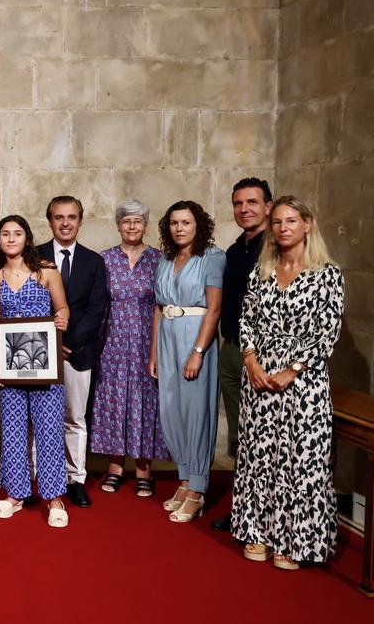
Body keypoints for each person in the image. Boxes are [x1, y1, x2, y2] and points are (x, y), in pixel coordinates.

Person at [231, 196, 343, 570]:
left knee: (300, 460)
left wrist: (292, 370)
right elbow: (245, 319)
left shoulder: (327, 274)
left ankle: (293, 539)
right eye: (277, 222)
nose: (283, 228)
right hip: (259, 377)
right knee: (259, 456)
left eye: (291, 220)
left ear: (307, 224)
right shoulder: (261, 271)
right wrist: (251, 361)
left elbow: (327, 332)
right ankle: (258, 531)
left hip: (305, 384)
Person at [0, 215, 71, 528]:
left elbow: (62, 307)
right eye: (5, 234)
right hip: (10, 365)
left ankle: (54, 496)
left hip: (44, 363)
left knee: (49, 429)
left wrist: (62, 319)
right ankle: (16, 494)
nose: (11, 239)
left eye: (17, 233)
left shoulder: (46, 271)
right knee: (12, 429)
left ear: (27, 237)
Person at [150, 200, 225, 523]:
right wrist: (154, 352)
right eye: (174, 223)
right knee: (172, 410)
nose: (179, 228)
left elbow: (214, 308)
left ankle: (197, 489)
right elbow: (158, 307)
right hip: (167, 337)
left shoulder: (212, 257)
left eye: (186, 222)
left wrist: (198, 351)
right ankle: (184, 480)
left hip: (195, 336)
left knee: (196, 411)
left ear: (199, 225)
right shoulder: (166, 259)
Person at [89, 200, 169, 498]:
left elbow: (164, 303)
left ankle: (144, 470)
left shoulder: (159, 259)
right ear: (118, 225)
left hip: (148, 341)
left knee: (145, 401)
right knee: (113, 400)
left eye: (137, 221)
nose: (132, 226)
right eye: (126, 221)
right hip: (111, 341)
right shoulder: (105, 259)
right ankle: (115, 468)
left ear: (145, 225)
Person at [37, 195, 107, 509]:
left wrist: (68, 343)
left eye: (71, 217)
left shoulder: (94, 261)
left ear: (80, 221)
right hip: (39, 353)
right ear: (50, 221)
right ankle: (37, 478)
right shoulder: (33, 256)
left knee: (75, 418)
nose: (65, 223)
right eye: (59, 217)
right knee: (38, 418)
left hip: (77, 352)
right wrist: (50, 344)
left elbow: (96, 309)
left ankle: (75, 479)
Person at [211, 178, 273, 532]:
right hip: (232, 351)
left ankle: (269, 517)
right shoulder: (234, 252)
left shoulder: (277, 249)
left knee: (264, 438)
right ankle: (244, 511)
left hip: (263, 357)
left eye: (252, 202)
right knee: (240, 436)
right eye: (238, 203)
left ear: (268, 206)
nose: (244, 209)